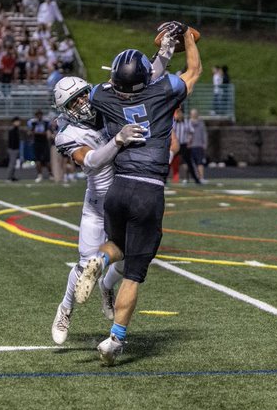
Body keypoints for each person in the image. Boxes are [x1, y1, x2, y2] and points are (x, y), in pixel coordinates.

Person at [76, 23, 202, 365]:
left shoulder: (103, 95)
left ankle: (98, 260)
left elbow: (137, 79)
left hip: (118, 187)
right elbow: (193, 71)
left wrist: (159, 54)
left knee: (116, 245)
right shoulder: (163, 91)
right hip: (148, 189)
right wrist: (186, 39)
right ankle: (115, 341)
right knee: (133, 272)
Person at [51, 76, 147, 344]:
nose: (82, 102)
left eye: (83, 95)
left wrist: (164, 51)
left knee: (130, 259)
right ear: (66, 109)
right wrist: (117, 140)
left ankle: (106, 287)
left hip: (126, 198)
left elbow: (137, 77)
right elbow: (91, 161)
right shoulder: (66, 134)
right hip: (98, 205)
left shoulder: (106, 106)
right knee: (85, 266)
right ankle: (65, 309)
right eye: (74, 101)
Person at [172, 107, 201, 184]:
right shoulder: (174, 123)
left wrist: (189, 142)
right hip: (176, 145)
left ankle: (196, 179)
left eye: (180, 113)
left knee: (189, 163)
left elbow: (191, 132)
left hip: (184, 145)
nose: (179, 115)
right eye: (177, 113)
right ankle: (163, 179)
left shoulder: (187, 122)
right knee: (169, 160)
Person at [27, 110, 52, 183]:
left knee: (47, 160)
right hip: (36, 143)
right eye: (37, 115)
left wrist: (37, 133)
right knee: (37, 160)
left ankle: (50, 174)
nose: (39, 116)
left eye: (40, 115)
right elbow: (30, 132)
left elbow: (47, 133)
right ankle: (39, 175)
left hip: (44, 143)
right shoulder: (33, 123)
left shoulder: (46, 122)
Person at [189, 108, 208, 183]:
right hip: (190, 146)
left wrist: (204, 143)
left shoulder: (201, 123)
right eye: (192, 114)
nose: (194, 115)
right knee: (190, 163)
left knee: (200, 162)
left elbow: (204, 134)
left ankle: (201, 177)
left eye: (195, 113)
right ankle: (191, 178)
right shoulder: (188, 123)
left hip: (199, 145)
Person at [6, 116, 21, 182]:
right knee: (12, 164)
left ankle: (12, 176)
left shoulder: (17, 129)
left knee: (14, 163)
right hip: (12, 149)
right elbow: (12, 141)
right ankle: (9, 177)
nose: (19, 123)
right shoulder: (12, 130)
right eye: (17, 121)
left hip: (15, 149)